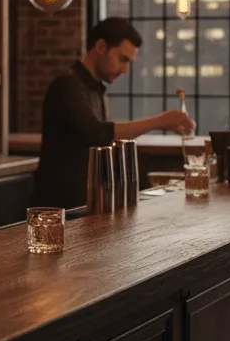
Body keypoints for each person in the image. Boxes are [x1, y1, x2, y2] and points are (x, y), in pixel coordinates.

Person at [34, 17, 196, 208]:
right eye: (122, 59)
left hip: (81, 205)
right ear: (101, 47)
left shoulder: (94, 89)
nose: (125, 70)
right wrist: (159, 122)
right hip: (58, 209)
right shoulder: (67, 85)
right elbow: (97, 133)